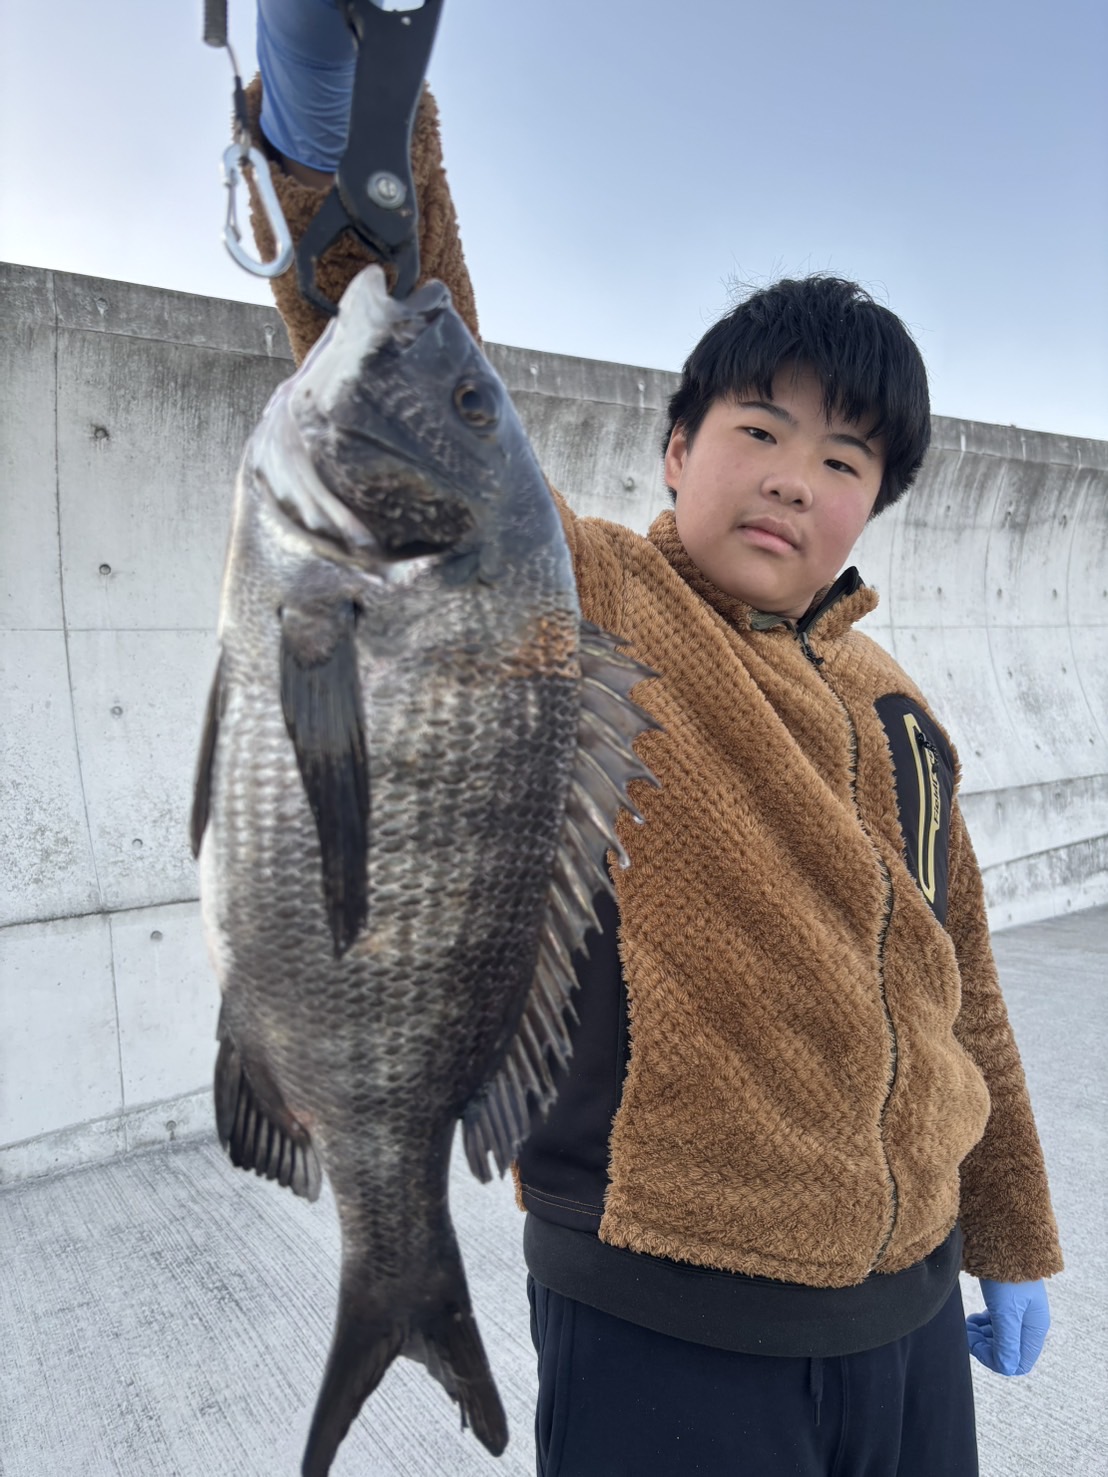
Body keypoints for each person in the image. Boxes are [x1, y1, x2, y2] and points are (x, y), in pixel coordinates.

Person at [242, 4, 1063, 1472]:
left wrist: (1008, 1232)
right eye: (758, 430)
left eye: (843, 457)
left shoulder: (899, 706)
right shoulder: (592, 595)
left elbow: (968, 987)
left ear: (872, 505)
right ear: (677, 451)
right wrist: (344, 147)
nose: (793, 478)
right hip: (667, 1321)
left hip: (912, 1312)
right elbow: (417, 390)